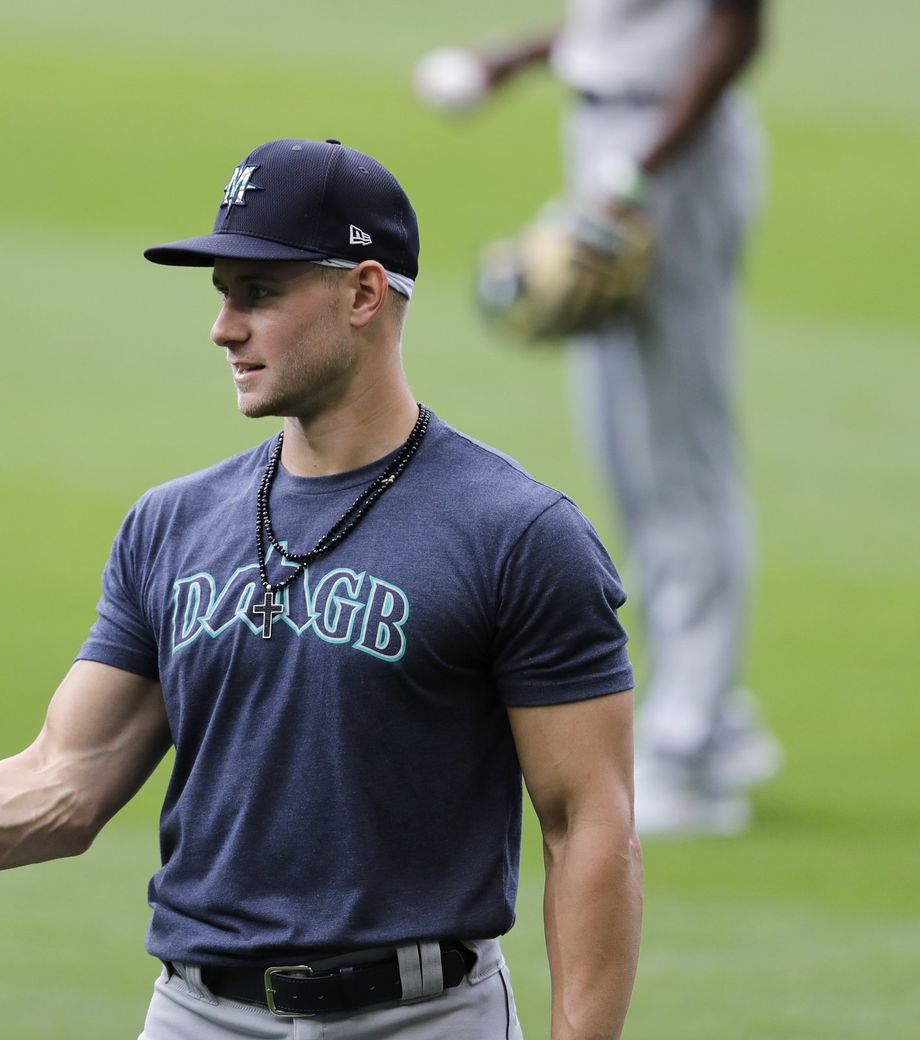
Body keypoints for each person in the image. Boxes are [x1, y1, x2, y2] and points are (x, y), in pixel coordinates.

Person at [0, 137, 643, 1039]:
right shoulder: (171, 525)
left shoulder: (517, 536)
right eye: (221, 295)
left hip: (427, 1018)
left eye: (261, 293)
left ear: (363, 292)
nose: (223, 325)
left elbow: (587, 823)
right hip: (198, 1015)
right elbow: (58, 786)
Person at [418, 0, 779, 836]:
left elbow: (736, 25)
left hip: (670, 153)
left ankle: (688, 752)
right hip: (613, 145)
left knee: (682, 459)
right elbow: (625, 27)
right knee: (624, 451)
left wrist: (636, 172)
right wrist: (515, 58)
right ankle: (709, 715)